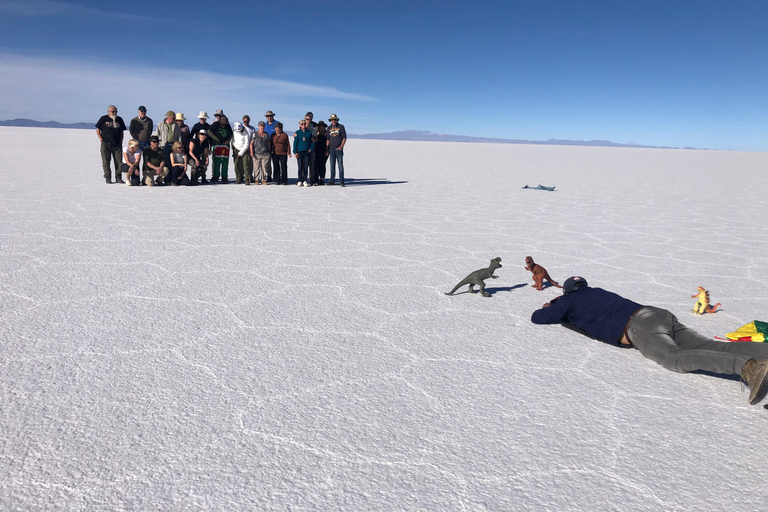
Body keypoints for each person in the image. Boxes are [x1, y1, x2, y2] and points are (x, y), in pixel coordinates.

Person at [531, 276, 768, 406]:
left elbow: (538, 318)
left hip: (639, 325)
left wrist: (551, 305)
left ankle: (749, 367)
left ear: (567, 292)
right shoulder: (598, 291)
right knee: (711, 345)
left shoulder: (568, 301)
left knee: (673, 358)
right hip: (659, 314)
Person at [95, 105, 127, 184]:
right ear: (108, 111)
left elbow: (122, 131)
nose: (114, 113)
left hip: (117, 144)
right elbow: (98, 130)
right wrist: (101, 139)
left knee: (118, 161)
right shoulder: (103, 119)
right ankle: (108, 177)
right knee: (106, 161)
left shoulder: (119, 120)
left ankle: (118, 177)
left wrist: (121, 141)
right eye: (113, 111)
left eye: (116, 111)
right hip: (106, 143)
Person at [207, 114, 233, 184]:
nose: (224, 126)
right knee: (216, 162)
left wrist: (228, 140)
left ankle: (224, 177)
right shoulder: (215, 124)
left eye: (225, 124)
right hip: (217, 145)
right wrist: (216, 139)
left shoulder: (228, 125)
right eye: (223, 125)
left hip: (225, 146)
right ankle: (215, 176)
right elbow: (209, 131)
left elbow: (231, 134)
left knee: (225, 162)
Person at [293, 119, 314, 187]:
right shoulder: (297, 132)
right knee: (300, 167)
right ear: (299, 125)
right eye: (302, 124)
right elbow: (295, 143)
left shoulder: (309, 132)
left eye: (304, 124)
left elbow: (312, 142)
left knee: (305, 167)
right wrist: (295, 152)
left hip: (306, 152)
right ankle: (300, 180)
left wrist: (310, 149)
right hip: (299, 152)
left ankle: (305, 180)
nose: (303, 125)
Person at [326, 113, 346, 186]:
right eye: (332, 120)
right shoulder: (329, 128)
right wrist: (326, 149)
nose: (333, 121)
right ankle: (332, 180)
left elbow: (344, 138)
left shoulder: (341, 127)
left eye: (334, 119)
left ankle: (341, 181)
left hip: (338, 149)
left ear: (336, 120)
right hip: (331, 149)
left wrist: (341, 146)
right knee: (332, 165)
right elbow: (328, 140)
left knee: (340, 165)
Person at [250, 121, 272, 185]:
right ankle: (256, 180)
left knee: (264, 168)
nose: (262, 127)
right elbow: (251, 143)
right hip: (256, 154)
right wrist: (251, 152)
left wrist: (269, 152)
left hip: (265, 154)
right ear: (258, 127)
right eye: (261, 126)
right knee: (256, 168)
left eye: (263, 126)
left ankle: (264, 180)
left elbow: (268, 144)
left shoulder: (267, 135)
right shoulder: (255, 134)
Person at [263, 110, 279, 182]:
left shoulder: (276, 124)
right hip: (266, 146)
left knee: (276, 162)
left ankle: (277, 177)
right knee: (267, 162)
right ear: (266, 117)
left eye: (271, 116)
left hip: (275, 145)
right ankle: (269, 175)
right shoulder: (265, 125)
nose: (269, 117)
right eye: (268, 116)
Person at [313, 121, 329, 185]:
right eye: (320, 126)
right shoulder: (316, 133)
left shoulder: (326, 134)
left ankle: (322, 179)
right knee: (316, 164)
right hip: (316, 151)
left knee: (322, 165)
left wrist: (327, 150)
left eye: (323, 126)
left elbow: (328, 143)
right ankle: (315, 179)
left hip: (324, 151)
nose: (321, 127)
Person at [304, 112, 318, 184]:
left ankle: (312, 180)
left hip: (311, 148)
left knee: (311, 165)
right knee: (304, 165)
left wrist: (314, 140)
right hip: (303, 148)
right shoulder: (302, 127)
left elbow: (316, 138)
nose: (308, 120)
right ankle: (303, 179)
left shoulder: (313, 128)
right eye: (307, 119)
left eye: (310, 119)